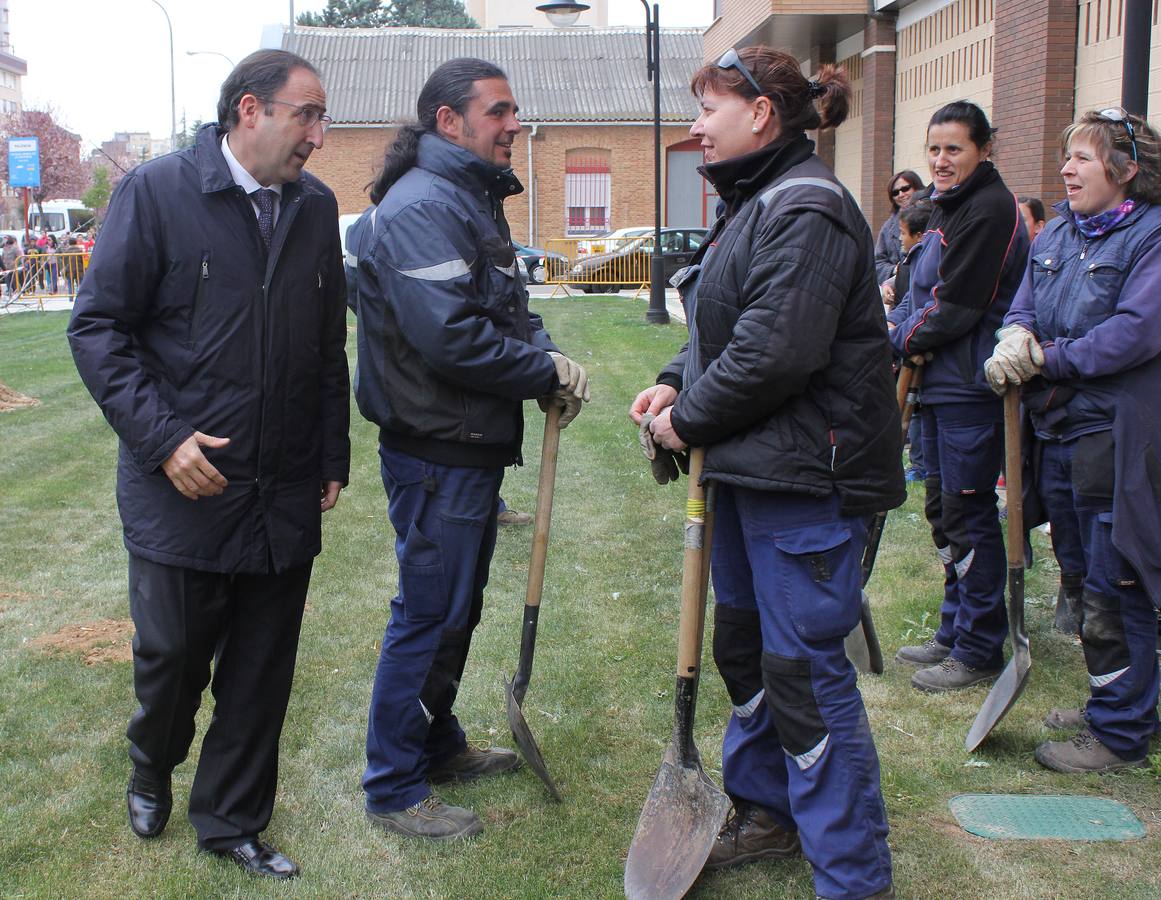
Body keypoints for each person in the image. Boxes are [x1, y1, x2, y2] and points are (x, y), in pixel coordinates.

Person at [67, 49, 350, 879]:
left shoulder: (315, 208)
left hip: (284, 483)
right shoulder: (156, 193)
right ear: (250, 111)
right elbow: (97, 330)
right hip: (183, 488)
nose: (320, 137)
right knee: (172, 659)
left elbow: (326, 346)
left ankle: (230, 820)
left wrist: (330, 450)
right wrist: (163, 440)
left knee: (261, 671)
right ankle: (151, 762)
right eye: (308, 115)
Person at [631, 46, 903, 900]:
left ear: (761, 114)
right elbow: (724, 327)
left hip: (805, 484)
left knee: (802, 673)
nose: (693, 126)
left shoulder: (809, 208)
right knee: (742, 650)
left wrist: (689, 420)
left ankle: (852, 877)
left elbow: (774, 353)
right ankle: (767, 809)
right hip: (749, 475)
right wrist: (676, 378)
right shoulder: (753, 206)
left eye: (706, 107)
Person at [353, 57, 589, 842]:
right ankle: (392, 785)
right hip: (435, 447)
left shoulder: (471, 200)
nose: (513, 125)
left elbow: (509, 310)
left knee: (455, 609)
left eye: (513, 110)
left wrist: (547, 360)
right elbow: (449, 337)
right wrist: (537, 372)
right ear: (447, 121)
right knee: (426, 614)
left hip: (468, 443)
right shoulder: (424, 205)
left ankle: (436, 743)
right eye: (498, 111)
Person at [984, 109, 1161, 772]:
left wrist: (1043, 359)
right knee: (1083, 577)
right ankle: (1114, 703)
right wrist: (1013, 336)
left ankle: (1119, 735)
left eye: (1082, 158)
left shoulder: (1149, 237)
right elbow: (1023, 305)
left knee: (1118, 584)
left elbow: (1134, 333)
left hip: (1115, 434)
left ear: (1126, 168)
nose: (1066, 169)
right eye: (1066, 158)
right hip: (1056, 431)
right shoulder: (1056, 232)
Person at [889, 102, 1030, 692]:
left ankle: (978, 647)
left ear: (984, 149)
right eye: (935, 150)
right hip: (938, 386)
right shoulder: (949, 206)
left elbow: (957, 307)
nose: (942, 161)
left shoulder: (990, 210)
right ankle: (954, 630)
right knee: (945, 512)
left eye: (955, 149)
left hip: (970, 388)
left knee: (970, 515)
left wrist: (897, 337)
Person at [892, 199, 933, 483]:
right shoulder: (912, 259)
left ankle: (920, 466)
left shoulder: (929, 254)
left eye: (903, 233)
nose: (899, 239)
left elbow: (929, 304)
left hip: (925, 356)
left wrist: (896, 336)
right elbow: (910, 300)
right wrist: (892, 322)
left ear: (919, 235)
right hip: (908, 341)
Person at [875, 169, 926, 301]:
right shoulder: (888, 227)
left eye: (905, 188)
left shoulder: (933, 217)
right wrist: (895, 271)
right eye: (895, 192)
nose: (901, 194)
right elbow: (877, 262)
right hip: (899, 299)